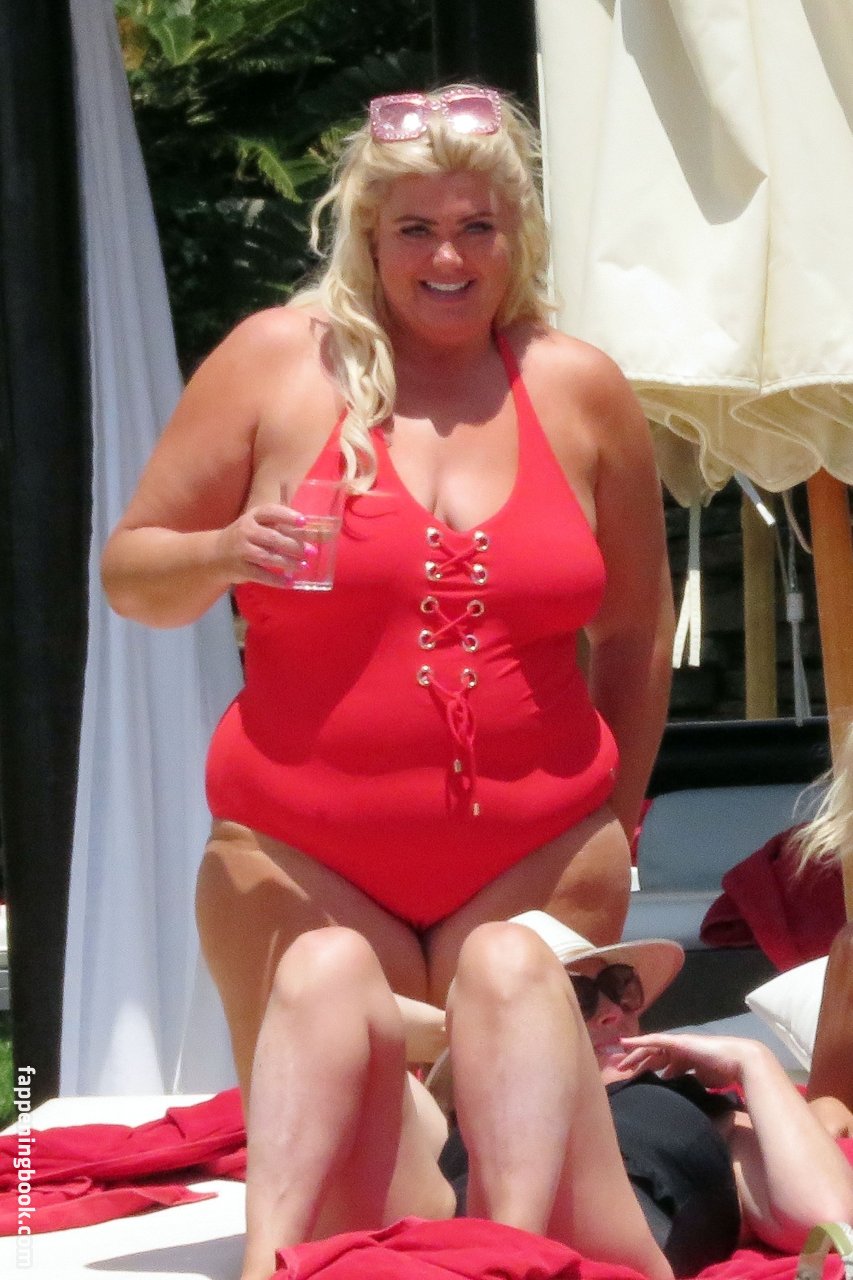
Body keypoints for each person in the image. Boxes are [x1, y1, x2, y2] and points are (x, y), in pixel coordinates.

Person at [101, 84, 674, 1099]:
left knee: (516, 1172)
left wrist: (612, 824)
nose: (447, 257)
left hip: (543, 857)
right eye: (416, 229)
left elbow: (634, 631)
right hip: (297, 859)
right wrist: (224, 552)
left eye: (476, 227)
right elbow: (130, 576)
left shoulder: (580, 387)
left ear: (517, 236)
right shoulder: (277, 360)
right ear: (369, 235)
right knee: (337, 1174)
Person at [238, 912, 853, 1280]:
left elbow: (832, 1220)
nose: (611, 1010)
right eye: (577, 997)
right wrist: (481, 1025)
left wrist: (751, 1059)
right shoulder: (455, 1117)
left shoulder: (708, 1105)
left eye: (622, 987)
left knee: (501, 950)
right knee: (326, 957)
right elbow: (336, 1028)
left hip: (607, 1240)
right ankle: (260, 1271)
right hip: (456, 1226)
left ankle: (507, 1259)